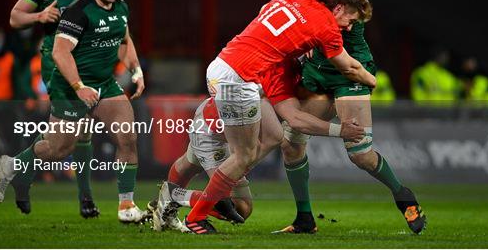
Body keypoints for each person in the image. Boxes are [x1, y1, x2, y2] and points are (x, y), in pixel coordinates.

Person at [237, 0, 426, 234]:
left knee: (361, 154)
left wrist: (368, 77)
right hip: (317, 68)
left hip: (348, 68)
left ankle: (403, 195)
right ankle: (305, 220)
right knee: (292, 144)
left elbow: (330, 24)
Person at [184, 0, 375, 234]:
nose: (349, 28)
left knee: (273, 136)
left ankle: (201, 196)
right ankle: (194, 213)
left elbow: (267, 14)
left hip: (222, 64)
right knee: (245, 155)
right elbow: (350, 67)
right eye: (350, 20)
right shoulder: (327, 26)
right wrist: (371, 80)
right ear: (338, 7)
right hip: (239, 79)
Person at [0, 0, 147, 223]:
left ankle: (126, 206)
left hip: (104, 85)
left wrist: (136, 70)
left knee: (128, 137)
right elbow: (60, 53)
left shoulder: (120, 7)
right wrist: (79, 87)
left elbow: (124, 39)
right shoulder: (78, 11)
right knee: (58, 148)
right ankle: (12, 165)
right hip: (70, 86)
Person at [152, 61, 366, 231]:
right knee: (240, 208)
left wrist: (242, 164)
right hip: (213, 134)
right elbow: (289, 126)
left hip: (213, 125)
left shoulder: (276, 78)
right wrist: (340, 131)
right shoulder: (272, 85)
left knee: (189, 163)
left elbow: (274, 136)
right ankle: (174, 196)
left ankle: (165, 209)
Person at [3, 0, 98, 217]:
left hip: (88, 60)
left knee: (77, 135)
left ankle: (26, 175)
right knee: (70, 137)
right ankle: (20, 169)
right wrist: (41, 15)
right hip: (56, 63)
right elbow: (15, 18)